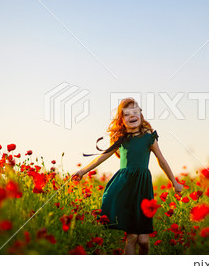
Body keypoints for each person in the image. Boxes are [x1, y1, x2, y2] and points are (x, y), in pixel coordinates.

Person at [71, 98, 183, 255]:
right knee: (131, 238)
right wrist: (82, 171)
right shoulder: (120, 139)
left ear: (140, 115)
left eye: (135, 112)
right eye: (127, 114)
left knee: (143, 240)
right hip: (125, 186)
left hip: (143, 188)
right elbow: (101, 157)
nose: (132, 115)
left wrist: (174, 182)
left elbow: (161, 160)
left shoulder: (149, 136)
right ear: (121, 120)